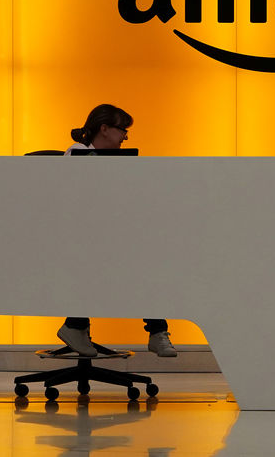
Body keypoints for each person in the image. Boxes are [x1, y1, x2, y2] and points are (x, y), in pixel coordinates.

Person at [58, 104, 177, 358]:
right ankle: (154, 330)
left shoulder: (117, 163)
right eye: (123, 130)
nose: (125, 136)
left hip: (107, 236)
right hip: (80, 238)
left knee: (149, 259)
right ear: (104, 129)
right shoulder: (77, 153)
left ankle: (76, 325)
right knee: (137, 259)